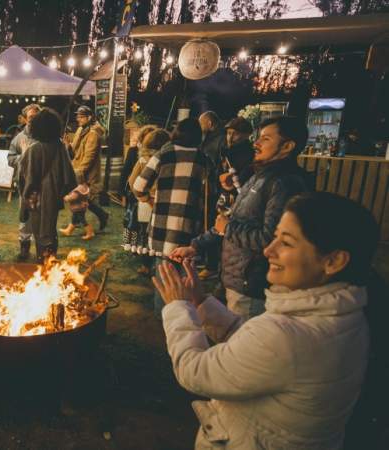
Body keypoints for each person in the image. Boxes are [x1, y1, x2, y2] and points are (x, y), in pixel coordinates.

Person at [153, 191, 378, 450]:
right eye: (274, 237)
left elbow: (195, 371)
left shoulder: (288, 336)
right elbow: (256, 347)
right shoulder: (347, 315)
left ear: (334, 261)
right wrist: (201, 303)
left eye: (287, 242)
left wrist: (178, 306)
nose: (268, 250)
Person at [171, 116, 311, 319]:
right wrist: (196, 246)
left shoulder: (285, 184)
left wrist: (228, 228)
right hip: (233, 278)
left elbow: (270, 240)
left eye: (266, 139)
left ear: (287, 146)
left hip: (251, 286)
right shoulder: (259, 176)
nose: (256, 143)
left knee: (235, 342)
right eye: (258, 137)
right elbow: (232, 221)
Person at [132, 118, 210, 314]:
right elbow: (211, 193)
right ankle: (188, 316)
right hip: (190, 227)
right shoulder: (203, 158)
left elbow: (139, 186)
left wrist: (149, 200)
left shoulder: (164, 153)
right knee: (187, 275)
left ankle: (165, 319)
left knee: (165, 275)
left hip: (162, 228)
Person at [198, 116, 255, 280]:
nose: (230, 137)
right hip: (222, 195)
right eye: (229, 133)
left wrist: (233, 180)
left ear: (246, 135)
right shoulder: (226, 150)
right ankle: (213, 265)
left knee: (227, 232)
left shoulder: (248, 154)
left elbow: (245, 177)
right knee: (215, 227)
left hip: (237, 199)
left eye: (235, 134)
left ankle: (219, 269)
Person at [18, 108, 77, 260]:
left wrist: (25, 197)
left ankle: (43, 264)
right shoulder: (59, 146)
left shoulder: (34, 149)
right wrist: (58, 192)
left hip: (35, 199)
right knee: (50, 231)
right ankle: (49, 262)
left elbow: (26, 179)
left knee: (40, 233)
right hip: (53, 199)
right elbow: (70, 178)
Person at [122, 129, 170, 275]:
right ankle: (159, 264)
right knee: (161, 234)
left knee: (144, 234)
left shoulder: (143, 160)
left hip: (145, 203)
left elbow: (132, 181)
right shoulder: (169, 160)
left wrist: (145, 198)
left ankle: (146, 265)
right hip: (163, 203)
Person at [60, 105, 109, 240]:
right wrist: (67, 144)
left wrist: (78, 173)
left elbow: (89, 156)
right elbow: (74, 152)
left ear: (90, 117)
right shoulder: (81, 129)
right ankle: (102, 216)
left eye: (82, 117)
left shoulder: (93, 133)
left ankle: (78, 227)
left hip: (87, 174)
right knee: (82, 201)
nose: (79, 119)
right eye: (78, 116)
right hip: (78, 170)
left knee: (82, 201)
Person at [7, 103, 41, 261]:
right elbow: (10, 159)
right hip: (25, 183)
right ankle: (24, 247)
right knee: (25, 216)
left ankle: (43, 248)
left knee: (42, 216)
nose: (32, 120)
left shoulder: (45, 137)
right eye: (30, 117)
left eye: (35, 117)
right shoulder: (18, 139)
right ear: (25, 119)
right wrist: (26, 157)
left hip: (43, 184)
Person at [118, 125, 158, 207]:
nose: (149, 141)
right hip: (136, 193)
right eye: (147, 137)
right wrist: (123, 194)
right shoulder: (133, 151)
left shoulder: (160, 154)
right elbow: (126, 172)